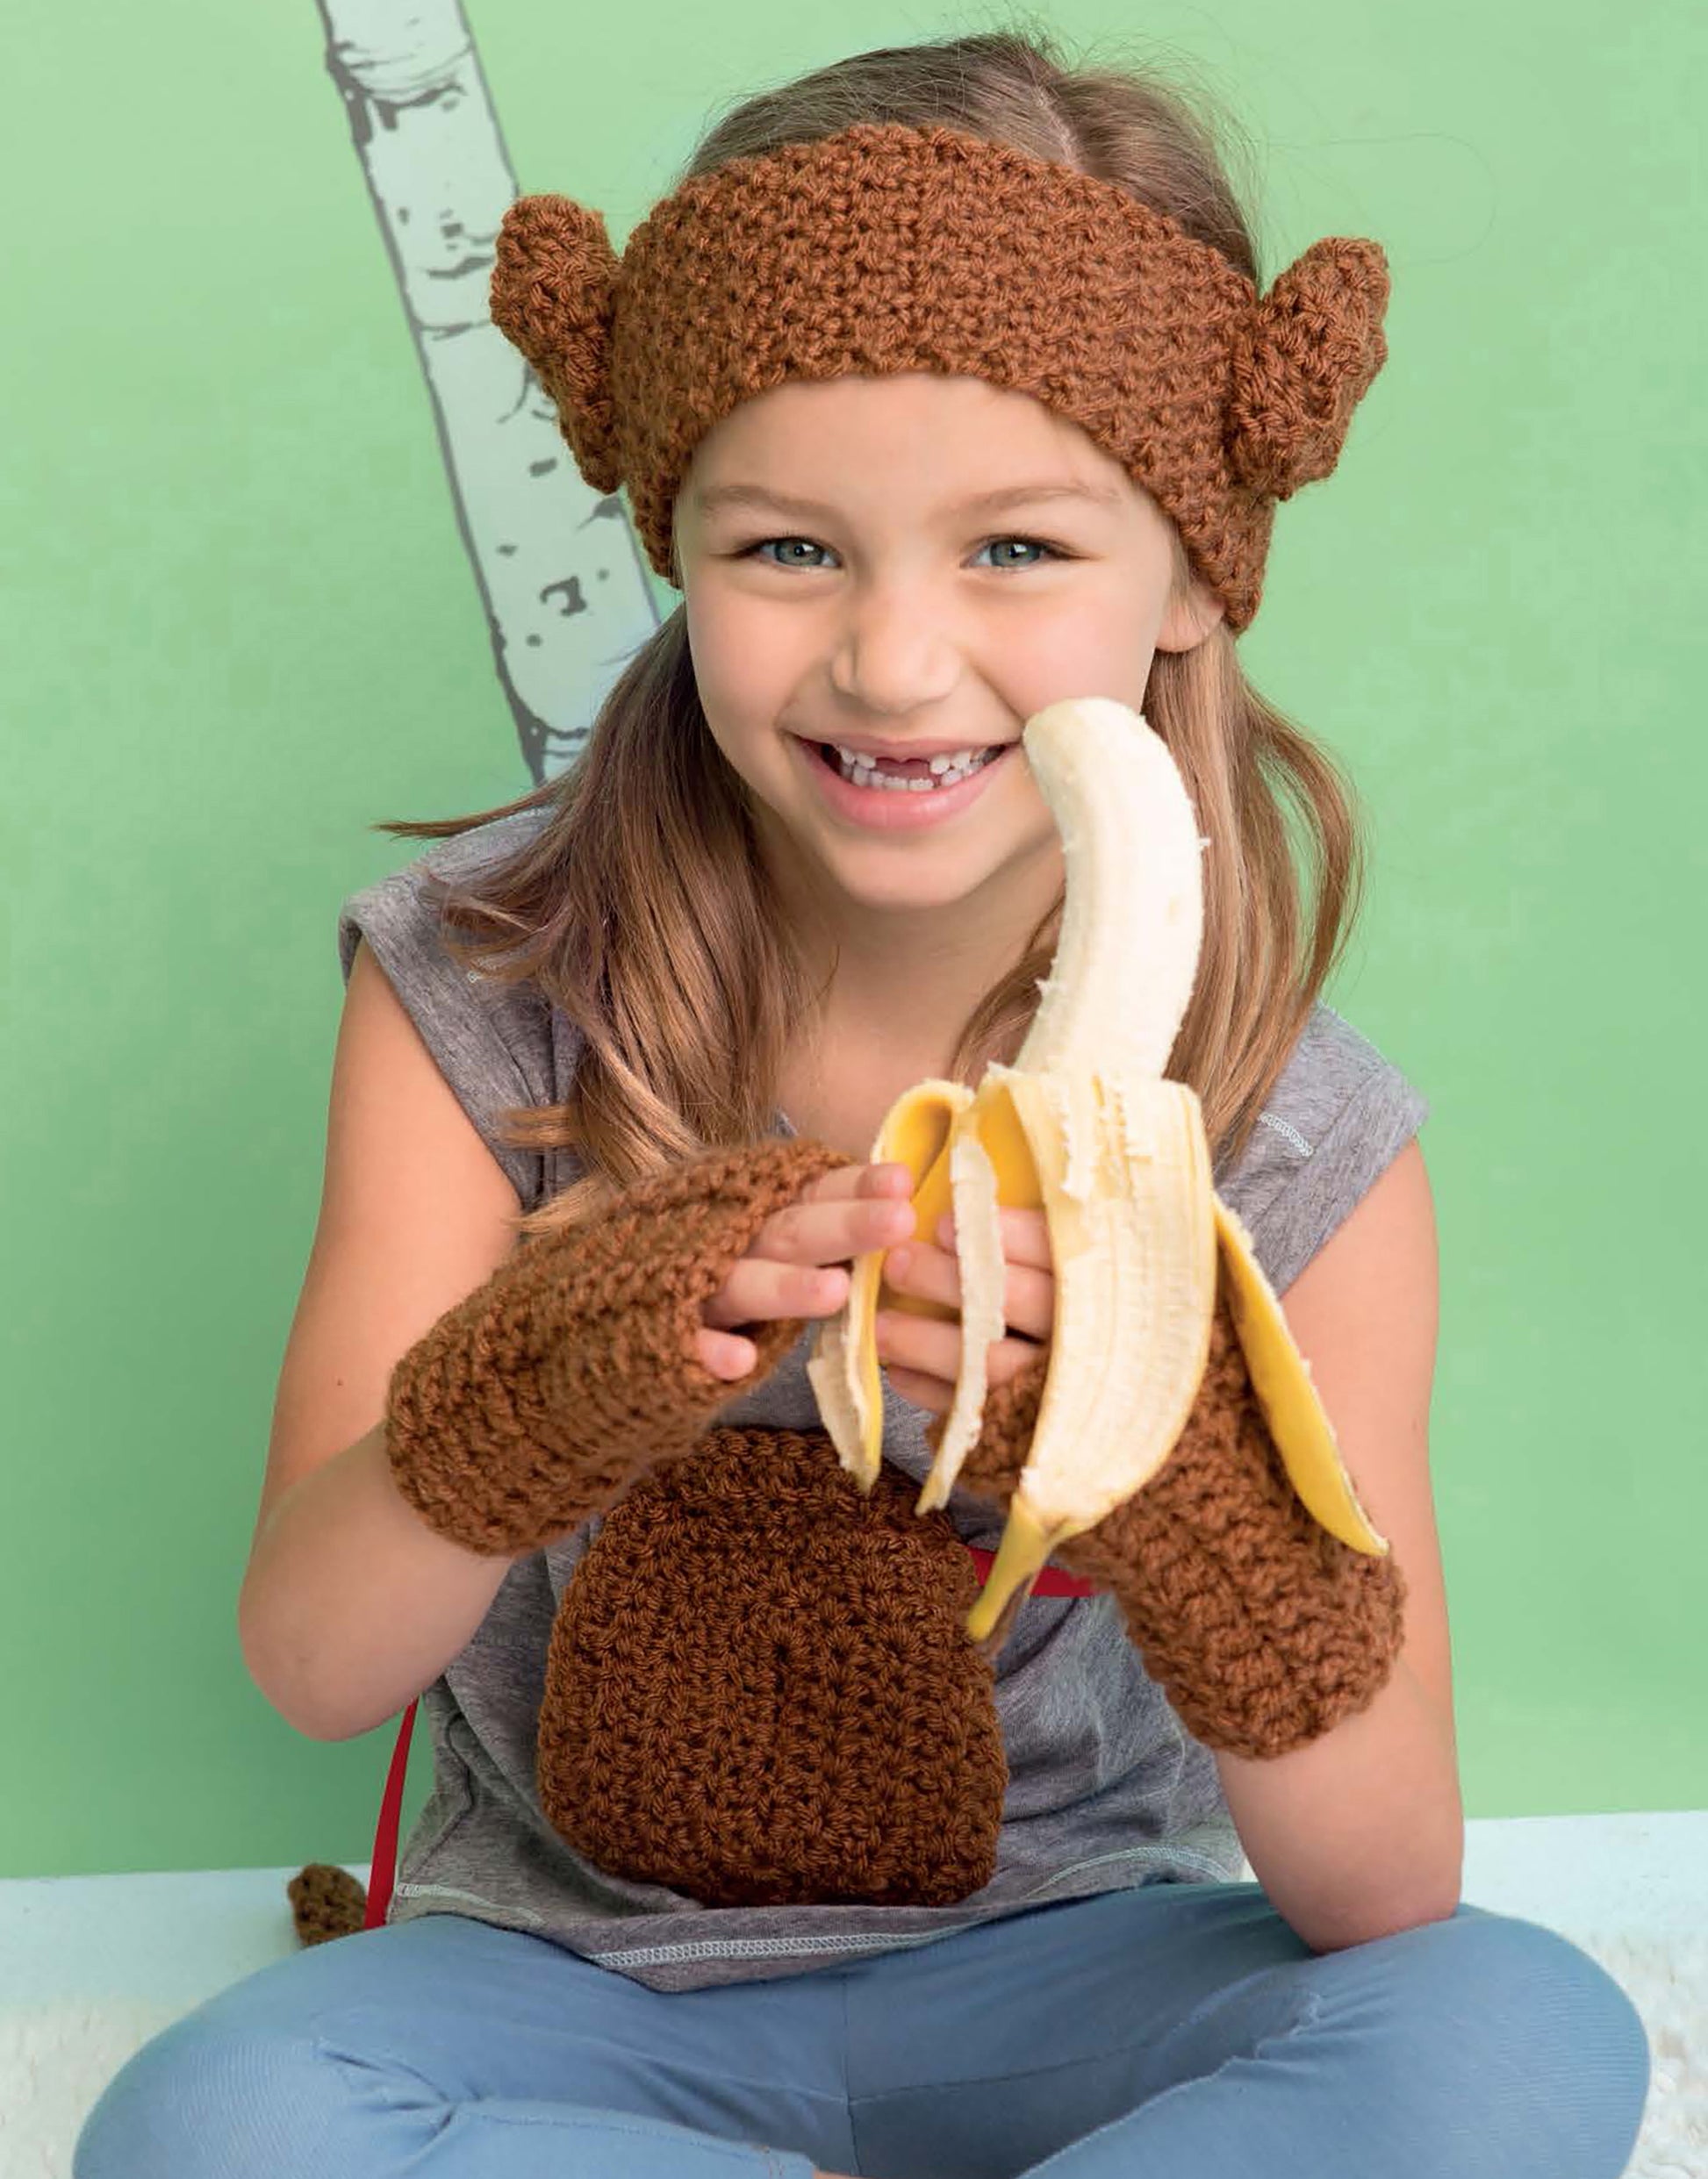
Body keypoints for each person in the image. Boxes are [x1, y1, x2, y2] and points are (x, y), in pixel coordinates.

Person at [75, 25, 1651, 2179]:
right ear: (672, 540)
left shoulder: (1296, 1143)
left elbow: (1378, 1886)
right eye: (788, 550)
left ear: (1193, 573)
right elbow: (312, 1662)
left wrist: (1182, 1486)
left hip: (1085, 1959)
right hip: (567, 1979)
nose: (897, 665)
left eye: (1015, 550)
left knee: (1509, 2027)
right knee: (218, 2124)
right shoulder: (475, 1001)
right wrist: (531, 1385)